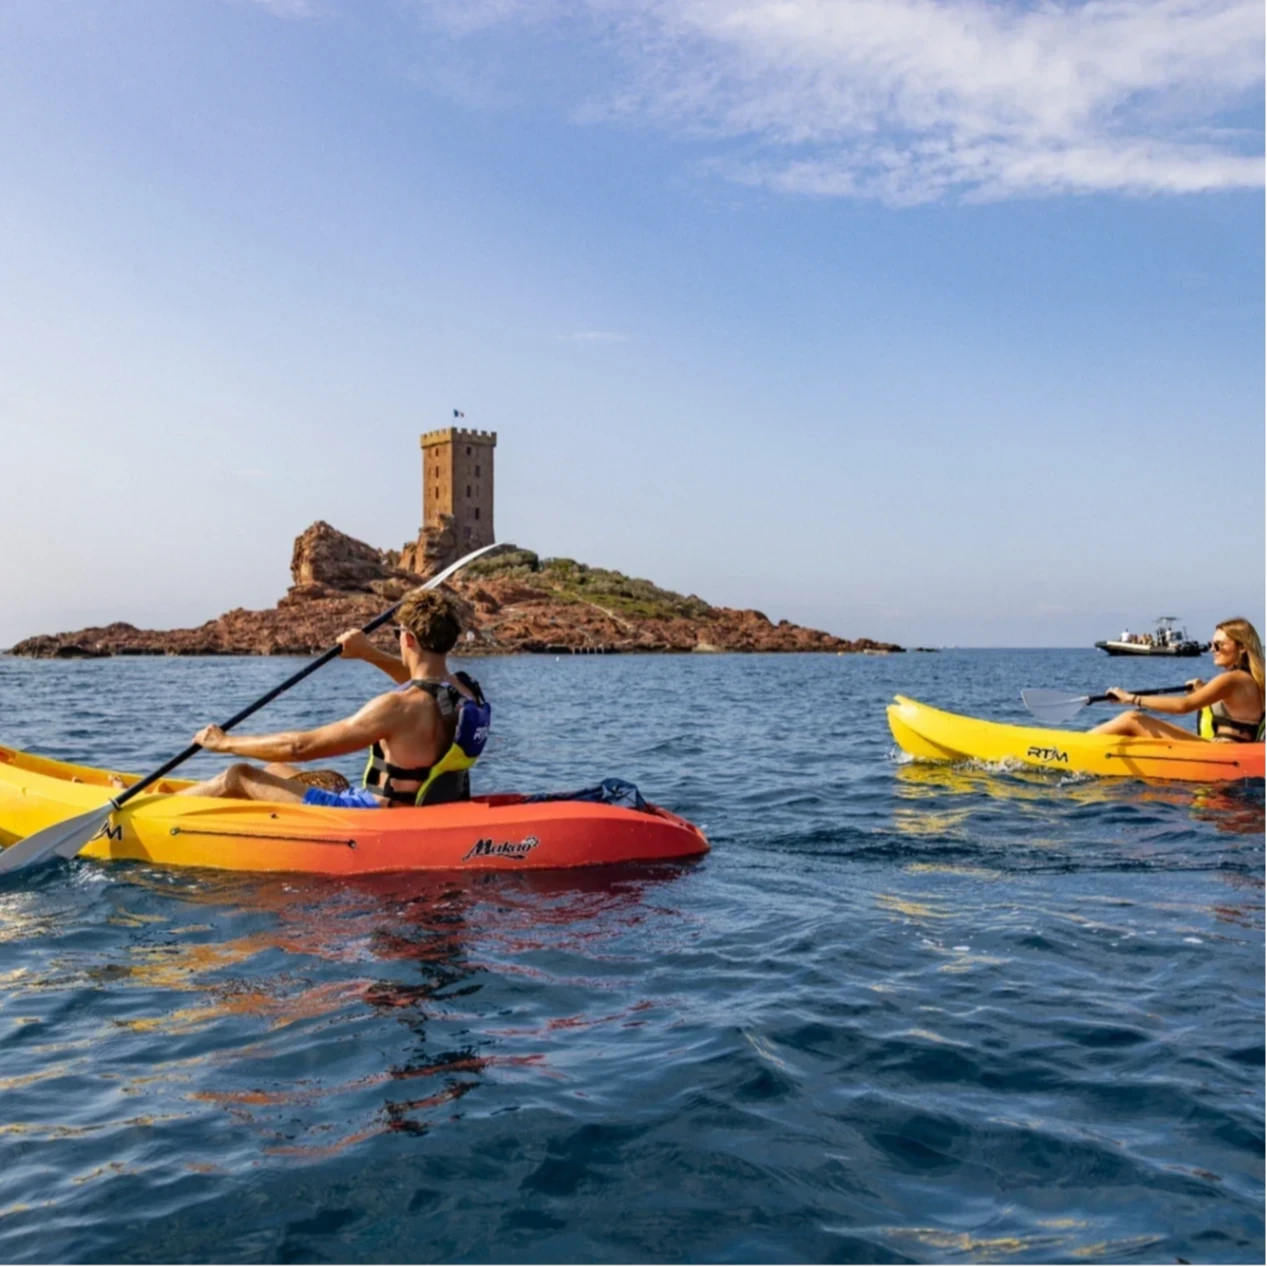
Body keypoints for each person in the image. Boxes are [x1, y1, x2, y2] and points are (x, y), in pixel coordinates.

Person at [176, 591, 490, 807]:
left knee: (239, 775)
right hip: (423, 806)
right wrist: (367, 653)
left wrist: (223, 742)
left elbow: (299, 747)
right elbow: (426, 683)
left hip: (373, 813)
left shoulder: (397, 708)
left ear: (408, 639)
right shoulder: (466, 691)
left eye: (398, 636)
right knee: (275, 770)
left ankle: (149, 813)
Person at [1091, 617, 1266, 742]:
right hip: (1229, 748)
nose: (1212, 649)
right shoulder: (1250, 678)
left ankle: (1070, 748)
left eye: (1219, 644)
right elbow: (1235, 706)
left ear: (1242, 647)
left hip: (1223, 752)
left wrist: (1131, 698)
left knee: (1130, 719)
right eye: (1211, 644)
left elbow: (1184, 706)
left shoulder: (1232, 679)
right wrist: (1203, 689)